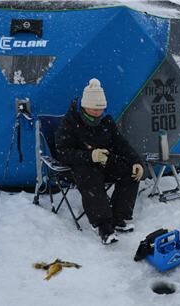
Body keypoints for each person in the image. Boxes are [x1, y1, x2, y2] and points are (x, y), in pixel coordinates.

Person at [55, 78, 144, 245]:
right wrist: (90, 156)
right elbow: (62, 152)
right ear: (84, 106)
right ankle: (104, 226)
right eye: (95, 109)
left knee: (129, 171)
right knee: (91, 175)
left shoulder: (107, 122)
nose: (99, 113)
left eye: (101, 109)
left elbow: (121, 144)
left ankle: (118, 218)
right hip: (78, 167)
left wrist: (136, 161)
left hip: (103, 162)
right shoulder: (71, 122)